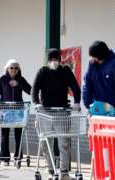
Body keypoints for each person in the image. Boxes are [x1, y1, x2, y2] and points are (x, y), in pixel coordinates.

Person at [32, 48, 81, 179]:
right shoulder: (42, 71)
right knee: (46, 143)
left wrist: (77, 102)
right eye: (51, 59)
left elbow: (76, 88)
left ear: (60, 60)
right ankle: (51, 170)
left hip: (62, 112)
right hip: (45, 113)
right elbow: (34, 89)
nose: (54, 62)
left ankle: (64, 172)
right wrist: (37, 103)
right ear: (48, 60)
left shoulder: (65, 71)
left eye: (56, 59)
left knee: (64, 144)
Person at [0, 59, 31, 166]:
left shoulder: (21, 79)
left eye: (16, 68)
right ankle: (5, 157)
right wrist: (1, 106)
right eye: (11, 68)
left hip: (18, 111)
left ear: (18, 70)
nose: (13, 70)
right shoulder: (3, 79)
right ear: (7, 69)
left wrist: (19, 83)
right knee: (4, 135)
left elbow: (30, 90)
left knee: (19, 135)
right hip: (6, 112)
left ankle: (18, 157)